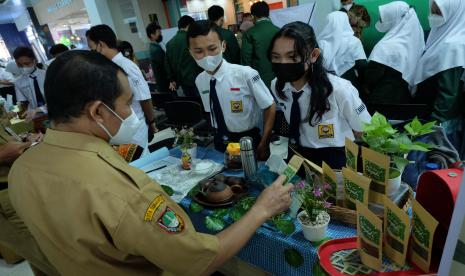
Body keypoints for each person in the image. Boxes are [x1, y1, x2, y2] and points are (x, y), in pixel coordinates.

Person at [8, 50, 293, 275]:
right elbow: (200, 260)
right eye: (127, 104)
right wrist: (261, 210)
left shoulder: (23, 168)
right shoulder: (121, 191)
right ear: (97, 111)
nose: (132, 114)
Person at [269, 22, 371, 169]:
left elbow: (364, 130)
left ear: (314, 55)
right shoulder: (277, 85)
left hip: (335, 161)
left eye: (293, 56)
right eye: (276, 57)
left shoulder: (339, 89)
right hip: (297, 156)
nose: (283, 63)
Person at [188, 20, 276, 160]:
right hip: (219, 140)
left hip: (247, 141)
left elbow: (270, 106)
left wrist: (264, 142)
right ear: (191, 52)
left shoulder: (245, 74)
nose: (206, 56)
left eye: (212, 49)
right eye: (198, 51)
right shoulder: (200, 80)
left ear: (223, 46)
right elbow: (210, 112)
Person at [87, 25, 157, 150]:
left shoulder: (126, 66)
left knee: (140, 164)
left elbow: (144, 98)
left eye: (92, 49)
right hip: (117, 131)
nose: (92, 54)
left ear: (101, 45)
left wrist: (151, 122)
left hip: (134, 128)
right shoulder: (106, 67)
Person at [365, 1, 424, 105]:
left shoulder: (386, 46)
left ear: (394, 18)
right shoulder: (418, 45)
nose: (380, 20)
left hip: (381, 103)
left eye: (384, 17)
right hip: (406, 101)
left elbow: (371, 77)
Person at [318, 11, 366, 92]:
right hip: (350, 83)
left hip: (325, 84)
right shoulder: (354, 41)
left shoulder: (320, 42)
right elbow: (362, 65)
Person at [241, 1, 279, 88]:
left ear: (253, 16)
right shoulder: (279, 31)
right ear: (268, 13)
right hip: (278, 77)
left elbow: (246, 60)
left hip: (259, 80)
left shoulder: (249, 33)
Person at [165, 15, 202, 97]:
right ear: (189, 26)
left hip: (182, 82)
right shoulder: (193, 39)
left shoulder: (169, 43)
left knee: (192, 105)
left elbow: (167, 64)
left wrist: (172, 79)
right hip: (197, 80)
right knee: (203, 105)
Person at [13, 47, 47, 122]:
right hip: (34, 116)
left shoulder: (47, 75)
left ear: (34, 61)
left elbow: (58, 99)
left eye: (27, 63)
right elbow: (22, 103)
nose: (24, 67)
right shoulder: (18, 82)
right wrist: (15, 112)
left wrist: (41, 109)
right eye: (20, 65)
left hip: (54, 111)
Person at [146, 23, 170, 93]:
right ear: (152, 35)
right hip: (165, 84)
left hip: (163, 84)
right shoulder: (156, 49)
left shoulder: (154, 47)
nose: (161, 34)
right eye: (159, 32)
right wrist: (171, 80)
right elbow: (165, 66)